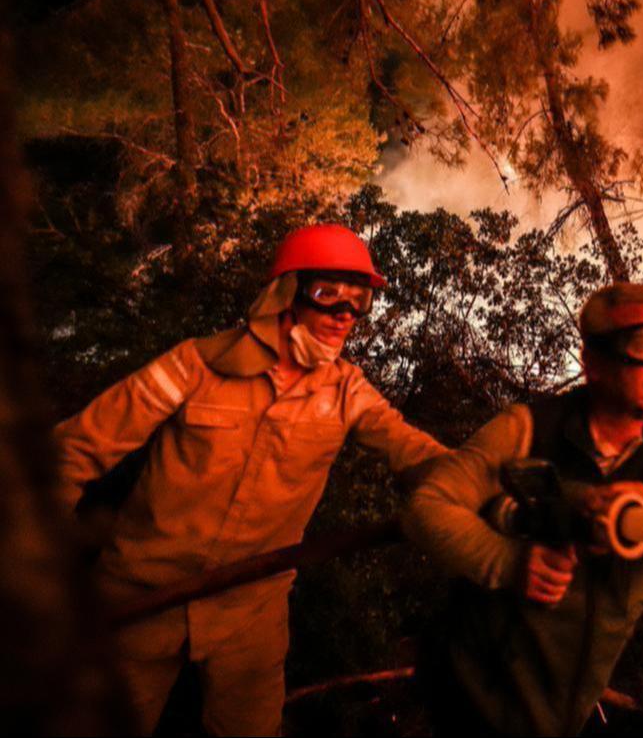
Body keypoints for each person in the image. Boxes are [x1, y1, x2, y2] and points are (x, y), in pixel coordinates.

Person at [55, 224, 451, 736]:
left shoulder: (346, 391)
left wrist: (479, 482)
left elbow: (411, 450)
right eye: (328, 295)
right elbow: (74, 450)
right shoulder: (194, 366)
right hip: (139, 602)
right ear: (285, 294)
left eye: (358, 303)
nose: (344, 316)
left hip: (250, 614)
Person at [406, 282, 643, 736]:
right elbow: (427, 505)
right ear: (594, 363)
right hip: (476, 693)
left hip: (567, 707)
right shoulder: (527, 430)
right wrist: (509, 562)